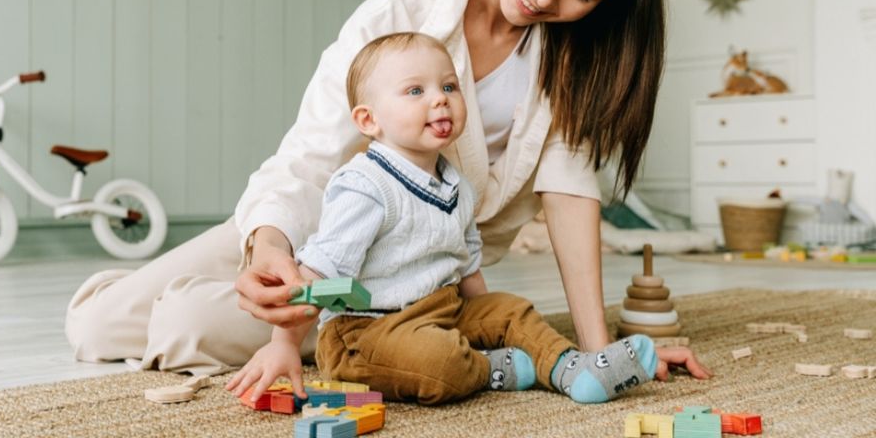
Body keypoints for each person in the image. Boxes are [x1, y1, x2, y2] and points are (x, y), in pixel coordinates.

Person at [66, 0, 711, 383]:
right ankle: (317, 314)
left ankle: (384, 331)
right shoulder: (407, 7)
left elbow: (570, 195)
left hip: (413, 274)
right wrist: (269, 247)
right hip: (319, 222)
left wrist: (600, 352)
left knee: (183, 323)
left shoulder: (572, 58)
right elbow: (311, 155)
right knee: (95, 326)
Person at [225, 31, 662, 406]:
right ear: (368, 120)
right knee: (439, 360)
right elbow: (319, 274)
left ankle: (574, 370)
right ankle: (491, 369)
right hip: (366, 333)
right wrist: (282, 344)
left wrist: (490, 322)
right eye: (416, 91)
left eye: (449, 87)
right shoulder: (365, 186)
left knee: (513, 310)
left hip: (442, 309)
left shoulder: (456, 184)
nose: (440, 99)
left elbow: (466, 264)